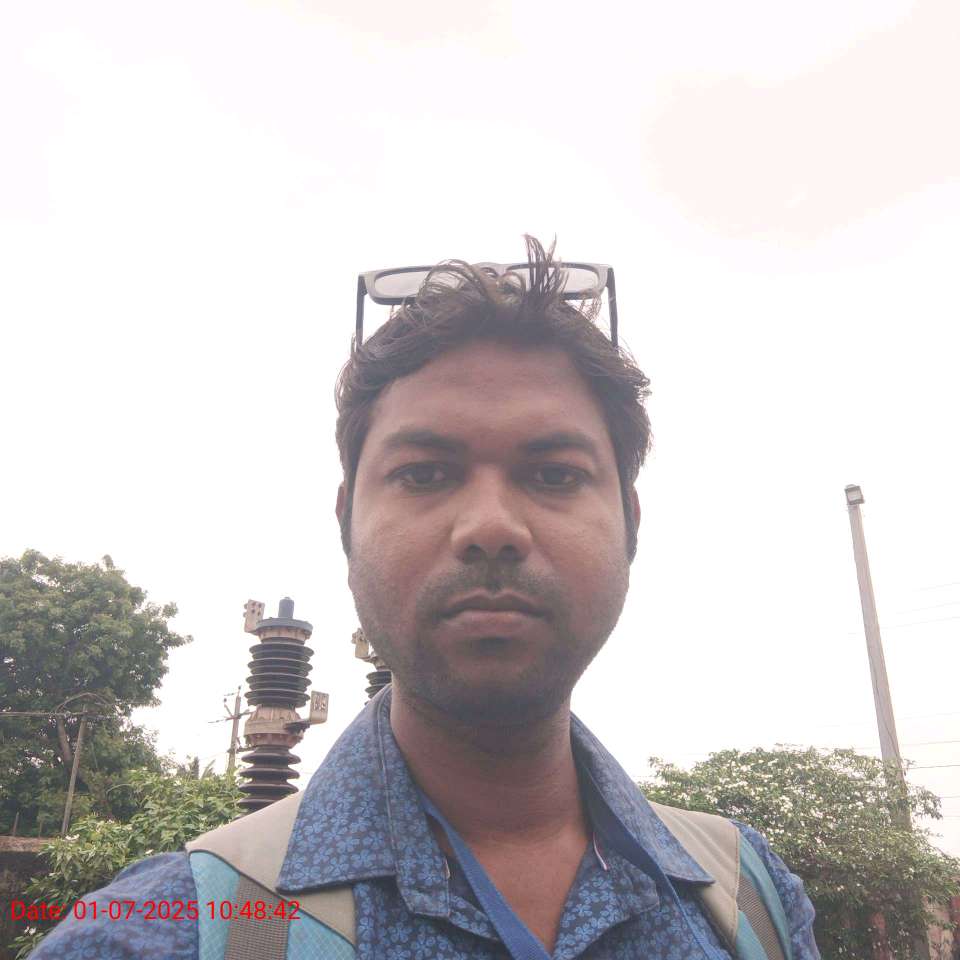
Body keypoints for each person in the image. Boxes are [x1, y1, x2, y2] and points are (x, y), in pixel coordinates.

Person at [30, 238, 820, 959]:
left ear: (630, 524)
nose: (490, 527)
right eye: (424, 473)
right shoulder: (161, 934)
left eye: (554, 474)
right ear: (347, 524)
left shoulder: (752, 902)